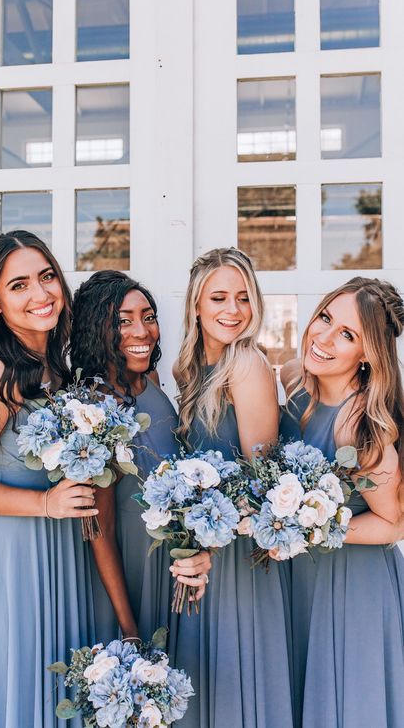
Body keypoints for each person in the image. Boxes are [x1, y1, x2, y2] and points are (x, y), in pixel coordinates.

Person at [0, 231, 99, 728]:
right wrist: (46, 504)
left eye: (47, 277)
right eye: (19, 285)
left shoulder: (56, 365)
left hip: (57, 549)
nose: (40, 294)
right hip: (9, 556)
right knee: (16, 686)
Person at [169, 247, 294, 728]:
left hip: (236, 561)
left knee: (234, 693)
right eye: (218, 297)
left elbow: (259, 484)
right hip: (200, 556)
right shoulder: (189, 370)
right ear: (196, 306)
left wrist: (211, 548)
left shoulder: (247, 365)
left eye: (243, 298)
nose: (233, 310)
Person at [280, 276, 404, 728]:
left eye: (347, 335)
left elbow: (393, 524)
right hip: (302, 580)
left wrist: (307, 526)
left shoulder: (362, 428)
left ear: (369, 354)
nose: (325, 338)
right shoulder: (295, 379)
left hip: (354, 586)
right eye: (326, 318)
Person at [69, 270, 211, 644]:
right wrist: (129, 630)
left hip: (175, 553)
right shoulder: (95, 406)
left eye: (148, 317)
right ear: (95, 328)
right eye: (123, 321)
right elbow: (101, 531)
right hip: (136, 562)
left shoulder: (148, 380)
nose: (142, 331)